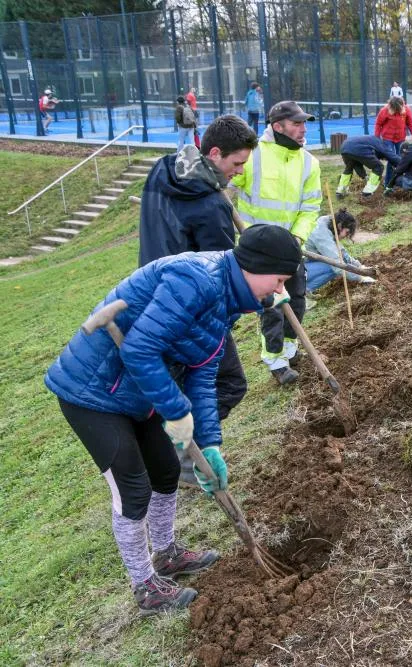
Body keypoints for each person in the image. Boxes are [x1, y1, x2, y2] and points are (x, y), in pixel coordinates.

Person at [44, 224, 301, 616]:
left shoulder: (227, 301)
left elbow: (203, 373)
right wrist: (177, 411)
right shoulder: (196, 280)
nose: (280, 290)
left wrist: (210, 444)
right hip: (93, 392)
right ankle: (145, 586)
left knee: (165, 472)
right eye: (279, 279)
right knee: (133, 489)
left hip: (139, 392)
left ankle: (166, 554)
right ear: (256, 266)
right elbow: (141, 350)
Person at [139, 114, 258, 435]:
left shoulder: (162, 170)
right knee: (230, 384)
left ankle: (173, 441)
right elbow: (222, 280)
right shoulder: (211, 207)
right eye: (237, 163)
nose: (240, 171)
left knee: (178, 384)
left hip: (151, 296)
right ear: (215, 153)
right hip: (192, 312)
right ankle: (183, 442)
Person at [230, 101, 322, 386]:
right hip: (258, 249)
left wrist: (296, 239)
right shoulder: (254, 155)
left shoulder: (309, 162)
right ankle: (276, 361)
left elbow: (310, 207)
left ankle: (291, 351)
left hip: (292, 247)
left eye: (304, 123)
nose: (303, 129)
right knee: (272, 306)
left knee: (297, 299)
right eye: (296, 124)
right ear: (277, 126)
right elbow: (230, 182)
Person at [304, 209, 376, 292]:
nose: (346, 236)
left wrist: (359, 266)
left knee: (340, 260)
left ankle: (304, 289)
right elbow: (337, 265)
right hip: (296, 269)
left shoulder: (329, 224)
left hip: (308, 263)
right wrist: (360, 278)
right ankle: (302, 292)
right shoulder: (321, 235)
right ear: (339, 226)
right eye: (347, 232)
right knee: (332, 265)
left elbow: (341, 251)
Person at [335, 134, 401, 199]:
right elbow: (392, 156)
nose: (383, 159)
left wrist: (364, 176)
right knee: (379, 167)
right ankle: (367, 193)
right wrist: (404, 164)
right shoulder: (382, 144)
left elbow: (357, 165)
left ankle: (340, 191)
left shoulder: (371, 140)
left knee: (349, 168)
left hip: (345, 147)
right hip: (358, 149)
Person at [374, 96, 412, 185]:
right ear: (391, 106)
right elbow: (378, 124)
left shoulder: (406, 110)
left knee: (400, 160)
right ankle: (388, 183)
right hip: (387, 138)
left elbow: (410, 123)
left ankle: (398, 181)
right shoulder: (385, 110)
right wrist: (377, 137)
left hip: (400, 138)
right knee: (392, 159)